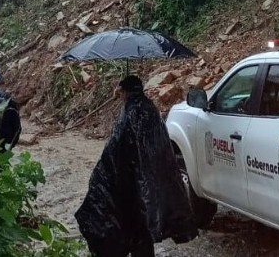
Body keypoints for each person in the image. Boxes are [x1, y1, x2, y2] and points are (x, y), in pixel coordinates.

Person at [75, 75, 197, 257]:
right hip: (150, 184)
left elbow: (115, 149)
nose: (120, 95)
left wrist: (102, 175)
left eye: (121, 91)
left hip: (131, 184)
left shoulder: (130, 113)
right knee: (143, 229)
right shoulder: (150, 109)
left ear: (125, 92)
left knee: (133, 227)